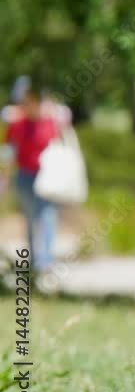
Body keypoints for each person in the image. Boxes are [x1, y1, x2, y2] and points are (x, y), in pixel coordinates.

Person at [1, 83, 63, 273]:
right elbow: (9, 149)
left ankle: (46, 260)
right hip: (24, 175)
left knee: (47, 215)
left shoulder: (49, 123)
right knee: (29, 217)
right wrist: (5, 174)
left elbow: (58, 146)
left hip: (46, 176)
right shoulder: (17, 124)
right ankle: (34, 257)